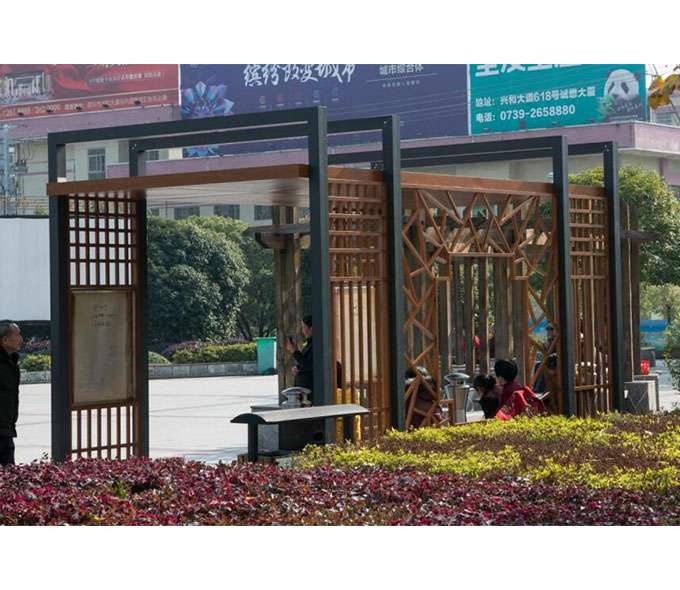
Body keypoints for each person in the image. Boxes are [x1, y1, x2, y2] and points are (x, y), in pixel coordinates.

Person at [0, 321, 23, 466]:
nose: (21, 339)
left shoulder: (11, 362)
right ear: (5, 340)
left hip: (6, 429)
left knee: (10, 474)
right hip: (2, 428)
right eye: (18, 335)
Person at [286, 315, 313, 391]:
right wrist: (297, 367)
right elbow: (304, 362)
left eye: (304, 327)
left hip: (310, 389)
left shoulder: (316, 345)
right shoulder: (309, 344)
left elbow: (309, 365)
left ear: (311, 328)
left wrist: (294, 351)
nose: (303, 331)